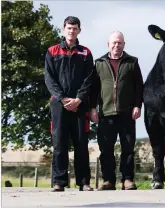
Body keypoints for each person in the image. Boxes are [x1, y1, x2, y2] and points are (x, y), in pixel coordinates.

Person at [44, 16, 94, 192]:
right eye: (69, 28)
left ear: (79, 30)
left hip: (80, 105)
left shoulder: (86, 53)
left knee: (81, 143)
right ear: (63, 29)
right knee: (59, 143)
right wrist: (62, 98)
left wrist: (79, 98)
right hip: (59, 105)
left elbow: (89, 79)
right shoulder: (52, 51)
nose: (71, 31)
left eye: (75, 28)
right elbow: (49, 78)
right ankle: (59, 182)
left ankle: (84, 182)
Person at [90, 31, 144, 191]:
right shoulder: (99, 63)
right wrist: (92, 108)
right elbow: (93, 89)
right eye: (114, 42)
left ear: (124, 45)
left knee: (128, 149)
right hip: (105, 114)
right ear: (108, 44)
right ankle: (108, 180)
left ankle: (127, 180)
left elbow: (139, 87)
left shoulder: (132, 62)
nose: (116, 45)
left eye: (119, 43)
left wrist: (137, 106)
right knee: (106, 149)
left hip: (127, 113)